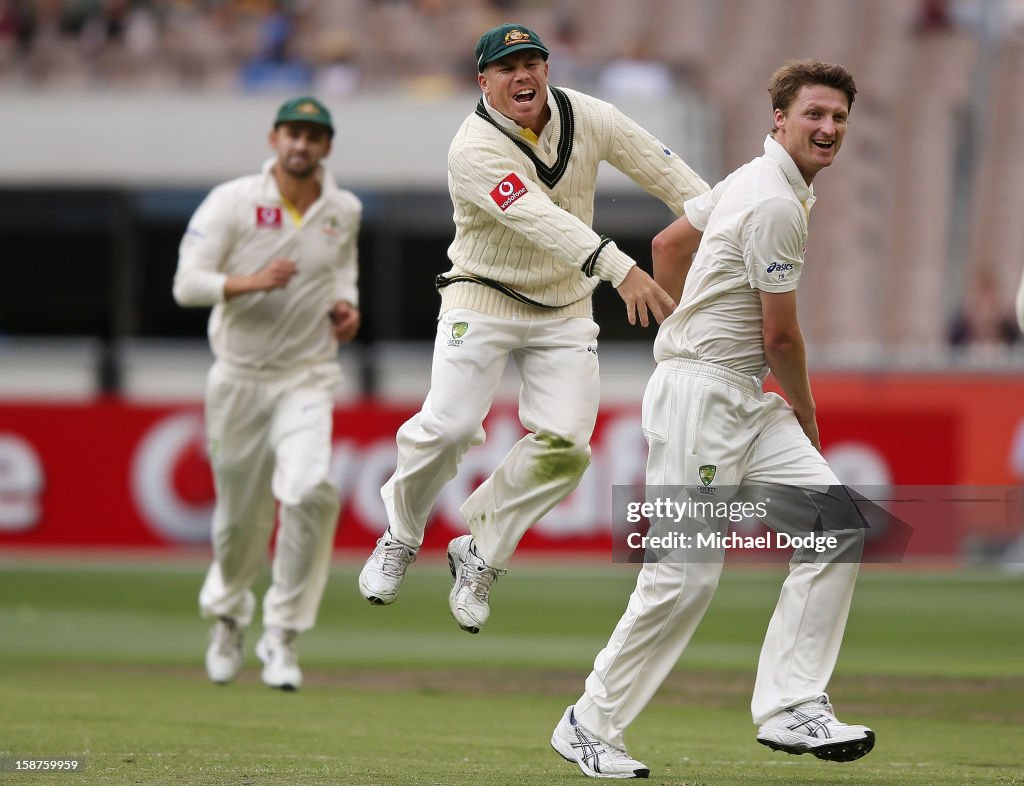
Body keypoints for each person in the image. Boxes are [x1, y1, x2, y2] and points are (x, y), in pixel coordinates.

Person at [550, 60, 875, 779]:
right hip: (705, 398)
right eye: (814, 115)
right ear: (779, 121)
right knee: (683, 578)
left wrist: (676, 329)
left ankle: (792, 705)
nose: (827, 128)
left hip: (735, 397)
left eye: (839, 118)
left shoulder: (752, 180)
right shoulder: (773, 203)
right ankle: (588, 723)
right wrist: (695, 357)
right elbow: (781, 338)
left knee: (837, 525)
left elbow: (668, 246)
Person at [358, 23, 709, 633]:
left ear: (547, 68)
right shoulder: (473, 148)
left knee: (567, 448)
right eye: (507, 66)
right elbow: (537, 218)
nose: (523, 75)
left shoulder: (589, 115)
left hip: (564, 307)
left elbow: (668, 174)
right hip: (482, 296)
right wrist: (621, 270)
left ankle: (481, 552)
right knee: (450, 428)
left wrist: (734, 225)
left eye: (532, 62)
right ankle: (400, 534)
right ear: (484, 80)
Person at [173, 96, 361, 691]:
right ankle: (228, 616)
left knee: (308, 491)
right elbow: (186, 286)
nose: (301, 145)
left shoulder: (343, 209)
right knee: (237, 521)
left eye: (313, 135)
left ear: (326, 145)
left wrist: (347, 306)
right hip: (238, 378)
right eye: (292, 134)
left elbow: (342, 270)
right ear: (274, 138)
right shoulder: (233, 201)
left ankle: (282, 633)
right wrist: (251, 281)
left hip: (307, 375)